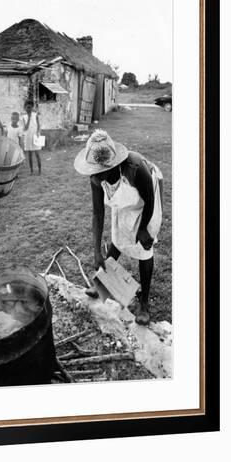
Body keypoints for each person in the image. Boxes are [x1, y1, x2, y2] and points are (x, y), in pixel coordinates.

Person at [74, 129, 163, 325]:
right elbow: (97, 213)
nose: (96, 176)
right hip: (123, 202)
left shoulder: (136, 168)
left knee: (144, 248)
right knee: (119, 238)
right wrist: (96, 251)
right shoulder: (96, 178)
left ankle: (144, 303)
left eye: (99, 172)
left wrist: (142, 229)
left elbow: (149, 200)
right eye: (93, 171)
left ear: (113, 165)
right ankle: (102, 283)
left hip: (144, 202)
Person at [22, 100, 42, 174]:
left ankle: (40, 170)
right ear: (25, 108)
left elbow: (38, 125)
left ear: (32, 107)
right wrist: (29, 118)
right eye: (27, 107)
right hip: (28, 137)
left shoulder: (35, 115)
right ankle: (31, 170)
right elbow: (25, 128)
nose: (28, 109)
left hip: (35, 136)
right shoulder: (24, 117)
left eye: (30, 107)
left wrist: (38, 132)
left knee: (37, 154)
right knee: (30, 155)